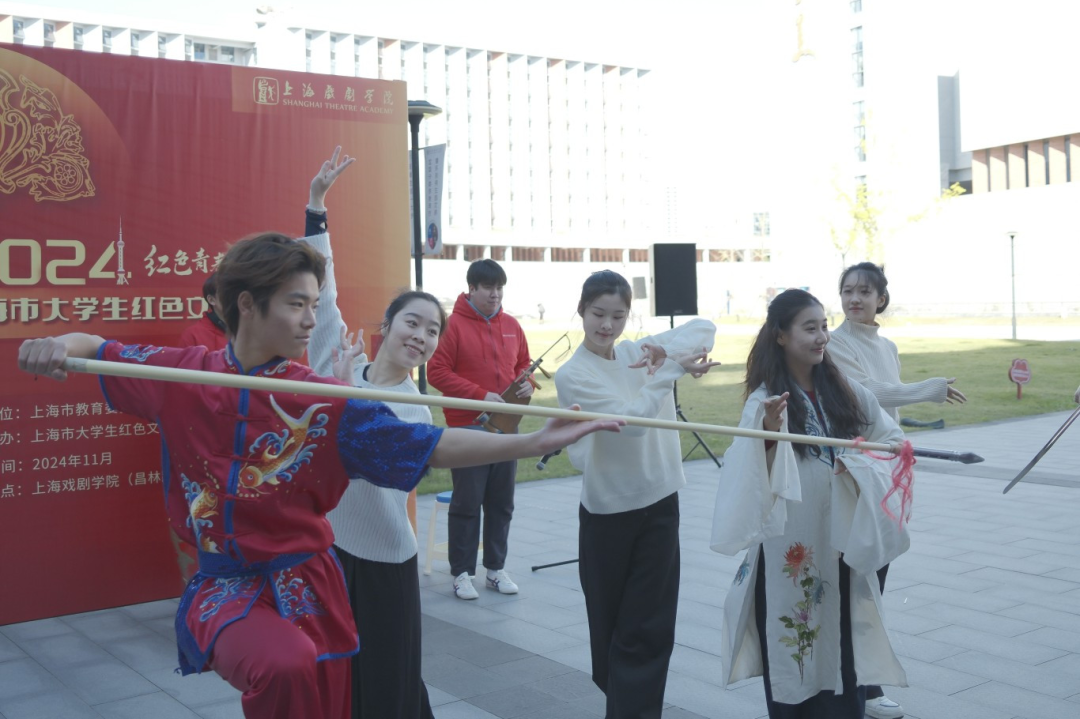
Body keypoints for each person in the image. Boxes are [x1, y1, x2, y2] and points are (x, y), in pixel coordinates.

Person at [17, 232, 622, 719]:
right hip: (227, 586)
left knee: (331, 700)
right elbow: (95, 346)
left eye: (314, 304)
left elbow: (432, 445)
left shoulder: (326, 402)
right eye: (296, 304)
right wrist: (56, 343)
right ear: (247, 305)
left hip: (316, 589)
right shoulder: (182, 375)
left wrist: (533, 441)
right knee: (282, 665)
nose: (310, 320)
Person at [710, 289, 909, 719]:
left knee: (845, 660)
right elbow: (748, 475)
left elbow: (890, 439)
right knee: (797, 656)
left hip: (842, 550)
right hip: (793, 552)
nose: (822, 337)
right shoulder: (764, 401)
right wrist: (768, 434)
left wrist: (866, 463)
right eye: (810, 328)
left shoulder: (846, 390)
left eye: (824, 326)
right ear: (781, 335)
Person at [299, 148, 437, 718]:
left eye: (432, 331)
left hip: (385, 560)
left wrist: (343, 398)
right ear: (388, 325)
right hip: (329, 549)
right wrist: (316, 206)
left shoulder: (417, 413)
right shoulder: (339, 362)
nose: (421, 336)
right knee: (332, 675)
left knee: (388, 681)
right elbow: (323, 291)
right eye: (412, 322)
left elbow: (368, 450)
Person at [554, 270, 719, 719]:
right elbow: (628, 424)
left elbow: (704, 327)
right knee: (612, 627)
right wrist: (669, 371)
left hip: (661, 502)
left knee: (650, 626)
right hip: (609, 513)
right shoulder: (572, 374)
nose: (607, 325)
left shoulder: (638, 352)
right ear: (581, 311)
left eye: (618, 315)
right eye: (598, 314)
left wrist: (668, 355)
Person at [827, 261, 965, 719]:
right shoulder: (835, 344)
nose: (854, 299)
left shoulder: (886, 346)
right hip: (854, 471)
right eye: (848, 290)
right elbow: (865, 393)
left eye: (864, 291)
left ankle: (861, 684)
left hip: (887, 470)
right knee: (858, 580)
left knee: (876, 578)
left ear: (881, 299)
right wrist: (926, 390)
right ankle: (860, 689)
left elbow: (887, 404)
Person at [427, 258, 533, 599]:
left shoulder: (512, 325)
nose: (495, 294)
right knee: (467, 503)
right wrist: (480, 395)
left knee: (502, 503)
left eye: (499, 288)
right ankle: (461, 573)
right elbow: (436, 372)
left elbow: (523, 364)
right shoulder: (453, 326)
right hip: (467, 428)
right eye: (488, 287)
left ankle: (495, 570)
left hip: (506, 426)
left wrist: (527, 382)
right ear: (471, 288)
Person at [178, 272, 228, 352]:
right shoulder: (192, 335)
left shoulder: (247, 329)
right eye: (227, 292)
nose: (235, 297)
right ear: (211, 300)